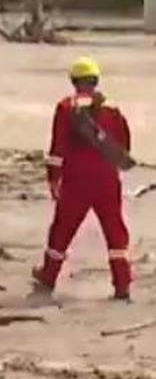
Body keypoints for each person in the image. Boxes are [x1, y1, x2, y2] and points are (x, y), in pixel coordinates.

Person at [32, 57, 134, 300]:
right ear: (96, 80)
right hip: (107, 180)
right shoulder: (112, 108)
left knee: (62, 230)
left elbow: (57, 148)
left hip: (76, 181)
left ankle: (48, 277)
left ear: (73, 81)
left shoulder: (65, 107)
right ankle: (122, 284)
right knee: (115, 231)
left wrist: (53, 179)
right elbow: (123, 144)